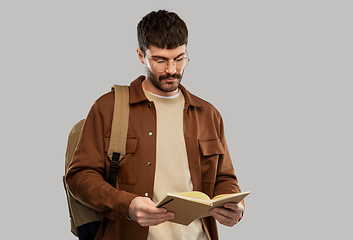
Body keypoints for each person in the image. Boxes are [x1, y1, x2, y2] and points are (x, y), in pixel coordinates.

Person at [66, 10, 244, 240]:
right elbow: (80, 176)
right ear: (141, 56)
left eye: (179, 58)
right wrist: (128, 205)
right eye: (160, 60)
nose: (171, 70)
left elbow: (225, 179)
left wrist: (235, 207)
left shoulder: (208, 114)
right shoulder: (107, 108)